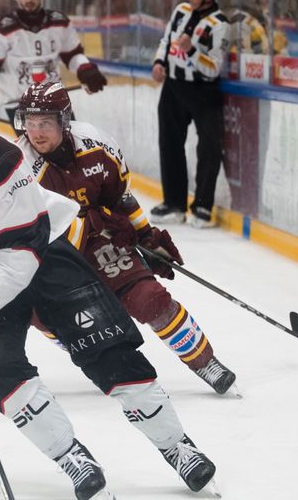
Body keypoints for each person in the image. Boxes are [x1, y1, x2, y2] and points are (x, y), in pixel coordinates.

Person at [0, 63, 218, 499]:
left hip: (42, 255)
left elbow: (20, 254)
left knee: (108, 349)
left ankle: (176, 446)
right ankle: (71, 455)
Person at [13, 80, 237, 395]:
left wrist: (146, 236)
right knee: (46, 317)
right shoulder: (19, 167)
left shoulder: (97, 145)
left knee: (149, 299)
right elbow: (39, 231)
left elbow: (121, 198)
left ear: (64, 121)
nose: (35, 132)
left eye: (46, 123)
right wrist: (92, 219)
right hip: (51, 253)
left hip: (101, 240)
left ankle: (205, 362)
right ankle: (101, 354)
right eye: (30, 123)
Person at [150, 0, 230, 228]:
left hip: (203, 92)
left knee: (209, 147)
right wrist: (160, 62)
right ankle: (174, 203)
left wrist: (192, 51)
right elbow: (166, 40)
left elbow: (214, 68)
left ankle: (203, 206)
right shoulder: (180, 10)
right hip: (173, 88)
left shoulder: (220, 25)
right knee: (170, 144)